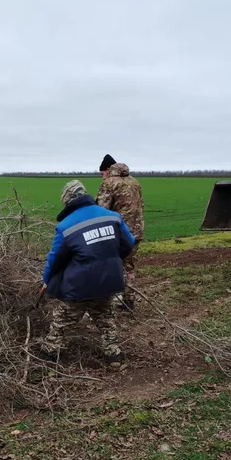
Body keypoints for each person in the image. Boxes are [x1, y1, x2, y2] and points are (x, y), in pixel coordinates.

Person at [40, 179, 135, 368]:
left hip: (79, 286)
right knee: (105, 317)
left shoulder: (66, 227)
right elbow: (129, 243)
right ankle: (114, 357)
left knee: (62, 320)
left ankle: (49, 356)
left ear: (67, 200)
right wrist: (111, 259)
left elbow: (55, 259)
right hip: (108, 280)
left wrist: (46, 280)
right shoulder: (113, 217)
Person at [96, 154, 144, 311]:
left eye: (102, 173)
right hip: (136, 231)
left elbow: (101, 211)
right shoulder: (134, 182)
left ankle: (106, 302)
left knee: (111, 265)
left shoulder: (109, 184)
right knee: (129, 266)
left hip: (118, 233)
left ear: (108, 169)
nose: (102, 176)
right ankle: (129, 301)